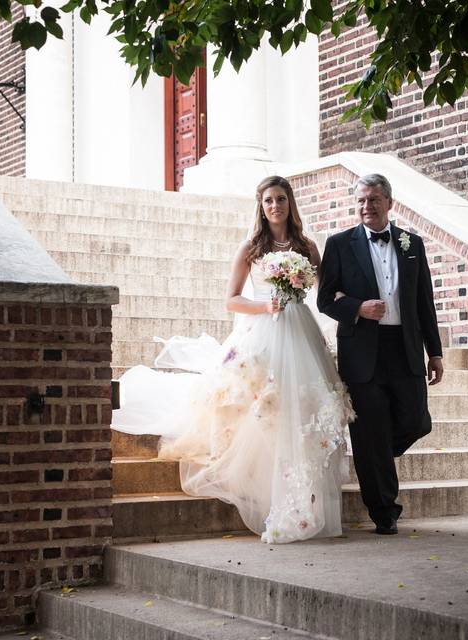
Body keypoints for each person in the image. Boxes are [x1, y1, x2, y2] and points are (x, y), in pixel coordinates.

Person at [113, 176, 354, 544]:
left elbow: (324, 290)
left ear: (291, 203)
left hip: (300, 332)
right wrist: (265, 305)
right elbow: (231, 299)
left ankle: (305, 496)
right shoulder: (251, 248)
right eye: (269, 200)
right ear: (261, 206)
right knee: (264, 411)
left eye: (281, 199)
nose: (275, 206)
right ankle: (272, 492)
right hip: (263, 331)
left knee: (303, 410)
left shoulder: (306, 246)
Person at [317, 173, 443, 535]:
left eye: (373, 200)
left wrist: (434, 352)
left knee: (418, 420)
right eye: (360, 200)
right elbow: (326, 299)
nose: (366, 207)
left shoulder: (411, 243)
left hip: (404, 349)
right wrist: (357, 308)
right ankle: (384, 511)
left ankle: (377, 455)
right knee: (370, 432)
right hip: (363, 352)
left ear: (390, 203)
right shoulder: (340, 244)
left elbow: (424, 302)